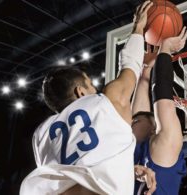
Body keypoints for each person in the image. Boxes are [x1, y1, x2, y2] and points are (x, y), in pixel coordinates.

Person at [20, 1, 156, 195]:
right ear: (80, 92)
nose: (95, 89)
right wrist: (138, 28)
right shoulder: (104, 103)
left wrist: (127, 170)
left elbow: (69, 172)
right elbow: (130, 64)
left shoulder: (40, 134)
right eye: (91, 84)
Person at [132, 27, 187, 194]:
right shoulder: (155, 151)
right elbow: (162, 102)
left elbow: (163, 105)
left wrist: (147, 71)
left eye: (134, 121)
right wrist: (163, 51)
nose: (130, 121)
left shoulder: (161, 149)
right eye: (134, 121)